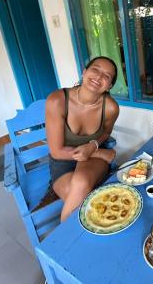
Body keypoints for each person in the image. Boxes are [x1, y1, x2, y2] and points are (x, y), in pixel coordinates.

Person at [45, 56, 119, 221]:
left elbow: (105, 133)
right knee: (83, 202)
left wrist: (93, 145)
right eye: (96, 69)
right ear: (84, 72)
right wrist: (97, 152)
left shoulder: (111, 108)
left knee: (80, 183)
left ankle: (63, 242)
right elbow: (57, 152)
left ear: (110, 86)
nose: (99, 77)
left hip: (92, 160)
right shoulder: (57, 100)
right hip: (63, 159)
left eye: (107, 76)